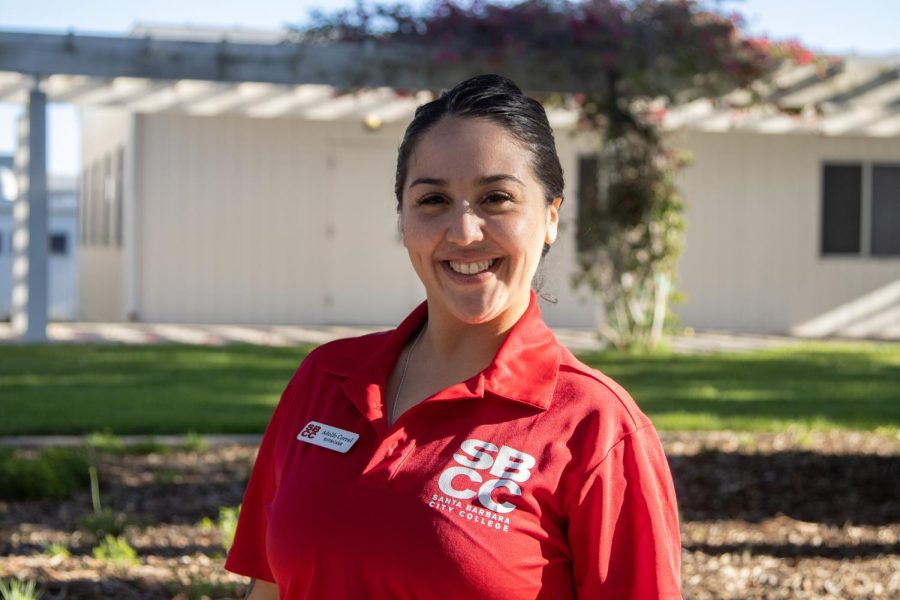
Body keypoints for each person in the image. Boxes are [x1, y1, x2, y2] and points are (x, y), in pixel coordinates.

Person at [225, 74, 682, 599]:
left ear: (551, 217)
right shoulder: (325, 379)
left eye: (496, 198)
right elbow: (268, 588)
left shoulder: (594, 428)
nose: (464, 232)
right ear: (403, 218)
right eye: (433, 200)